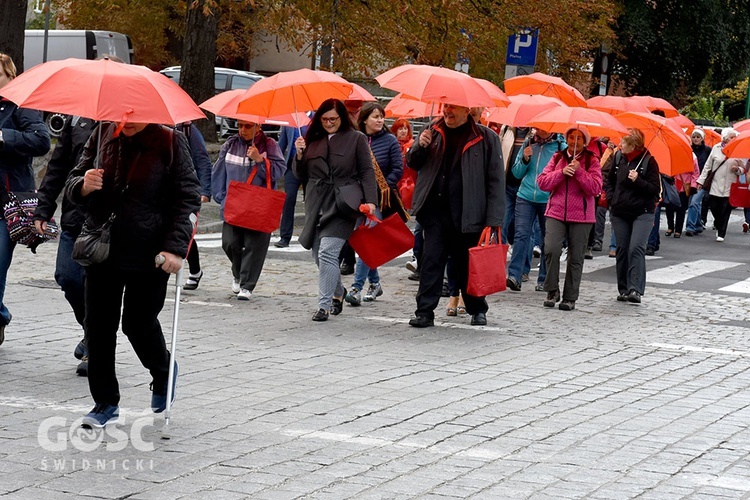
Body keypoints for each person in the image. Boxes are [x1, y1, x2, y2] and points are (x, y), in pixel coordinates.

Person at [64, 121, 200, 427]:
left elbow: (187, 199)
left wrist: (176, 249)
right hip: (103, 247)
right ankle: (105, 402)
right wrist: (83, 185)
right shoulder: (101, 135)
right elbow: (73, 183)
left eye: (134, 114)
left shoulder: (170, 142)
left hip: (150, 252)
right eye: (121, 115)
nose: (127, 121)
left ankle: (163, 370)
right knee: (98, 327)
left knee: (137, 325)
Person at [406, 104, 504, 328]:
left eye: (453, 107)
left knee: (467, 266)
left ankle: (477, 308)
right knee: (431, 262)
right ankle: (424, 312)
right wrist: (420, 146)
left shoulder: (486, 138)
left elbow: (496, 182)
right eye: (445, 106)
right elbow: (412, 162)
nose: (447, 111)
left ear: (467, 110)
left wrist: (494, 220)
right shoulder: (432, 131)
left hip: (469, 212)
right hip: (435, 211)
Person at [293, 99, 377, 321]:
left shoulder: (356, 139)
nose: (329, 123)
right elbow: (300, 175)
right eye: (324, 119)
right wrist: (299, 155)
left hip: (344, 203)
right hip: (317, 202)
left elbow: (367, 171)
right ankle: (338, 292)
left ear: (342, 117)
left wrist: (371, 202)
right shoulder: (311, 139)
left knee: (328, 252)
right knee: (318, 254)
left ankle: (324, 305)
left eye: (333, 119)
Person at [33, 115, 96, 375]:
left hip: (108, 223)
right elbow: (58, 167)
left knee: (97, 287)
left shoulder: (125, 123)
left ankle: (96, 346)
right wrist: (44, 209)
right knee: (67, 277)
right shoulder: (76, 120)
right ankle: (92, 331)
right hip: (74, 218)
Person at [0, 53, 51, 347]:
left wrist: (3, 136)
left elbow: (41, 141)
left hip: (7, 204)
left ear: (10, 75)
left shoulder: (22, 105)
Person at [212, 120, 286, 299]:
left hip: (258, 206)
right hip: (233, 204)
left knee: (255, 245)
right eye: (239, 126)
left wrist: (260, 160)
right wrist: (222, 197)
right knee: (229, 243)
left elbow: (279, 171)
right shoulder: (230, 144)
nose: (242, 130)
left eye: (247, 126)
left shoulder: (270, 145)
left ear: (258, 127)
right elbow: (218, 172)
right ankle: (238, 273)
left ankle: (247, 284)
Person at [537, 127, 602, 311]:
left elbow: (595, 189)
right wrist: (561, 172)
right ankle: (551, 289)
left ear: (585, 141)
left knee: (576, 257)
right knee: (551, 249)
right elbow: (542, 182)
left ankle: (570, 297)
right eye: (571, 137)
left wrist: (580, 172)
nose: (574, 142)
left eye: (579, 138)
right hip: (556, 212)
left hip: (581, 216)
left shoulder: (591, 160)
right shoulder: (558, 157)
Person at [345, 102, 402, 306]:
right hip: (356, 198)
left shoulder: (390, 141)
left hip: (378, 199)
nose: (379, 120)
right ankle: (375, 283)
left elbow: (398, 168)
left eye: (381, 116)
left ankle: (356, 287)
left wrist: (382, 186)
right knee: (362, 242)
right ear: (365, 119)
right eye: (375, 116)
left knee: (367, 240)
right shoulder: (355, 139)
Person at [605, 129, 661, 304]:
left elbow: (654, 189)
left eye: (624, 142)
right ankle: (623, 288)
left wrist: (638, 181)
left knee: (636, 247)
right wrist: (611, 198)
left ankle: (635, 289)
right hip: (620, 211)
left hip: (642, 212)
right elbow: (609, 180)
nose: (620, 145)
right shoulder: (618, 158)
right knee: (622, 248)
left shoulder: (649, 162)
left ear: (634, 145)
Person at [506, 128, 564, 292]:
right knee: (521, 235)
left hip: (548, 198)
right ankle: (514, 276)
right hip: (525, 195)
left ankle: (544, 279)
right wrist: (525, 159)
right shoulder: (529, 142)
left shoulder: (560, 146)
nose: (539, 130)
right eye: (538, 126)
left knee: (548, 240)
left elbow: (561, 175)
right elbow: (516, 173)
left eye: (544, 127)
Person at [696, 128, 745, 242]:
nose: (734, 139)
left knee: (725, 209)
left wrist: (738, 169)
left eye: (735, 137)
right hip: (715, 185)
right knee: (714, 207)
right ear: (725, 138)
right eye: (732, 137)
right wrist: (701, 181)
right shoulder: (716, 148)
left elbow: (744, 169)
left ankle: (721, 233)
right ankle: (718, 224)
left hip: (729, 186)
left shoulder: (737, 150)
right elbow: (708, 166)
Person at [180, 122, 213, 290]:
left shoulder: (188, 129)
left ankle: (194, 271)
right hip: (162, 190)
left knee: (185, 231)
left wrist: (205, 191)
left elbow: (202, 160)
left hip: (187, 190)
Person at [338, 100, 366, 275]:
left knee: (363, 234)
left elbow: (370, 171)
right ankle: (346, 261)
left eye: (355, 112)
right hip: (343, 190)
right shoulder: (339, 134)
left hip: (362, 190)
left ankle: (370, 280)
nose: (351, 116)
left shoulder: (361, 136)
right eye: (348, 112)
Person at [275, 125, 302, 248]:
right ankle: (285, 237)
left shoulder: (314, 119)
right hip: (292, 165)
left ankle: (314, 236)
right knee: (289, 198)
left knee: (313, 201)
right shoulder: (289, 124)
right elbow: (281, 145)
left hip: (311, 166)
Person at [684, 129, 713, 236]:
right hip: (690, 180)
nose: (695, 139)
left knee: (694, 203)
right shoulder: (688, 150)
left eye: (698, 137)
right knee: (695, 203)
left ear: (702, 138)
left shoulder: (708, 150)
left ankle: (690, 227)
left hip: (702, 181)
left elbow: (710, 165)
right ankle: (698, 225)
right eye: (694, 137)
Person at [664, 154, 700, 238]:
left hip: (684, 187)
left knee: (681, 209)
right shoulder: (671, 154)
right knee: (669, 207)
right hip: (672, 185)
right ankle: (670, 226)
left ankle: (678, 230)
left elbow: (696, 173)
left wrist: (693, 186)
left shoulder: (692, 157)